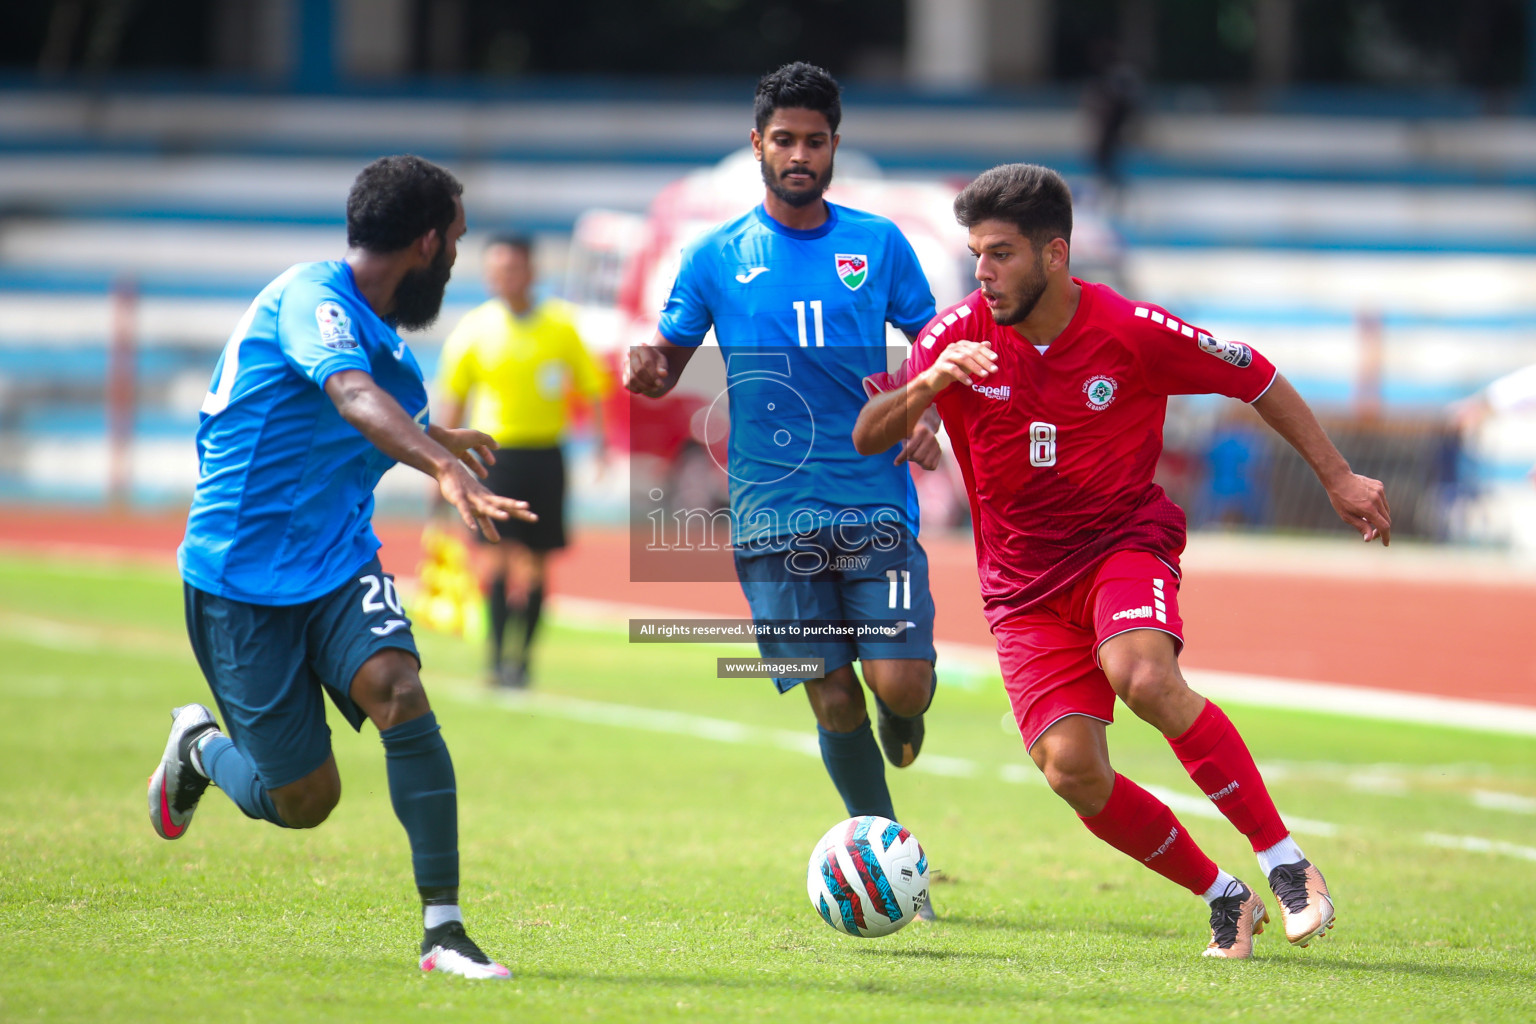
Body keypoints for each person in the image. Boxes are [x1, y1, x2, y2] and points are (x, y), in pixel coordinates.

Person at [853, 163, 1391, 958]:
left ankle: (1286, 864)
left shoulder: (1132, 329)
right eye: (977, 253)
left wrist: (1338, 476)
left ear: (1056, 255)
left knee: (1141, 674)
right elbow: (870, 434)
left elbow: (1254, 373)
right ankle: (1225, 895)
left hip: (1120, 546)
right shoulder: (957, 336)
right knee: (1072, 770)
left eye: (1001, 253)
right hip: (1021, 592)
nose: (983, 272)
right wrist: (925, 387)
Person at [149, 155, 533, 980]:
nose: (459, 258)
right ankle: (199, 748)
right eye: (457, 241)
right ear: (427, 242)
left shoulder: (388, 345)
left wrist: (438, 441)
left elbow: (373, 416)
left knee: (400, 687)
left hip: (336, 562)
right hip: (237, 577)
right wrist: (443, 467)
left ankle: (445, 932)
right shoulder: (313, 299)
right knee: (304, 802)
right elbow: (352, 399)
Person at [624, 63, 944, 903]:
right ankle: (886, 858)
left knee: (898, 684)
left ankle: (904, 715)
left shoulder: (878, 243)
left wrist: (925, 412)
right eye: (784, 140)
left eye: (814, 140)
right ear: (757, 145)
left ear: (835, 145)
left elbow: (935, 341)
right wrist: (649, 371)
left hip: (875, 501)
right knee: (830, 692)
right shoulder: (715, 255)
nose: (799, 154)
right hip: (772, 515)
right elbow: (668, 357)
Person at [435, 234, 610, 689]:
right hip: (495, 457)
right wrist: (438, 463)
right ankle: (495, 660)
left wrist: (601, 444)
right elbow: (454, 400)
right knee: (495, 559)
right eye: (496, 269)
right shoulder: (474, 328)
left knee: (535, 563)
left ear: (532, 272)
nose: (504, 277)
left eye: (513, 267)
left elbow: (591, 387)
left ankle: (523, 662)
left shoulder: (561, 325)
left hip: (547, 457)